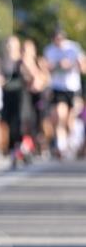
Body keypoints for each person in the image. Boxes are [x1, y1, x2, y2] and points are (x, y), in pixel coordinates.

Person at [43, 27, 85, 158]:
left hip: (72, 88)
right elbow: (46, 68)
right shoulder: (49, 50)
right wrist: (55, 66)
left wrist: (72, 64)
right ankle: (61, 146)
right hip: (58, 87)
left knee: (70, 120)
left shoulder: (74, 48)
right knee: (59, 116)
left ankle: (76, 142)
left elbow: (83, 68)